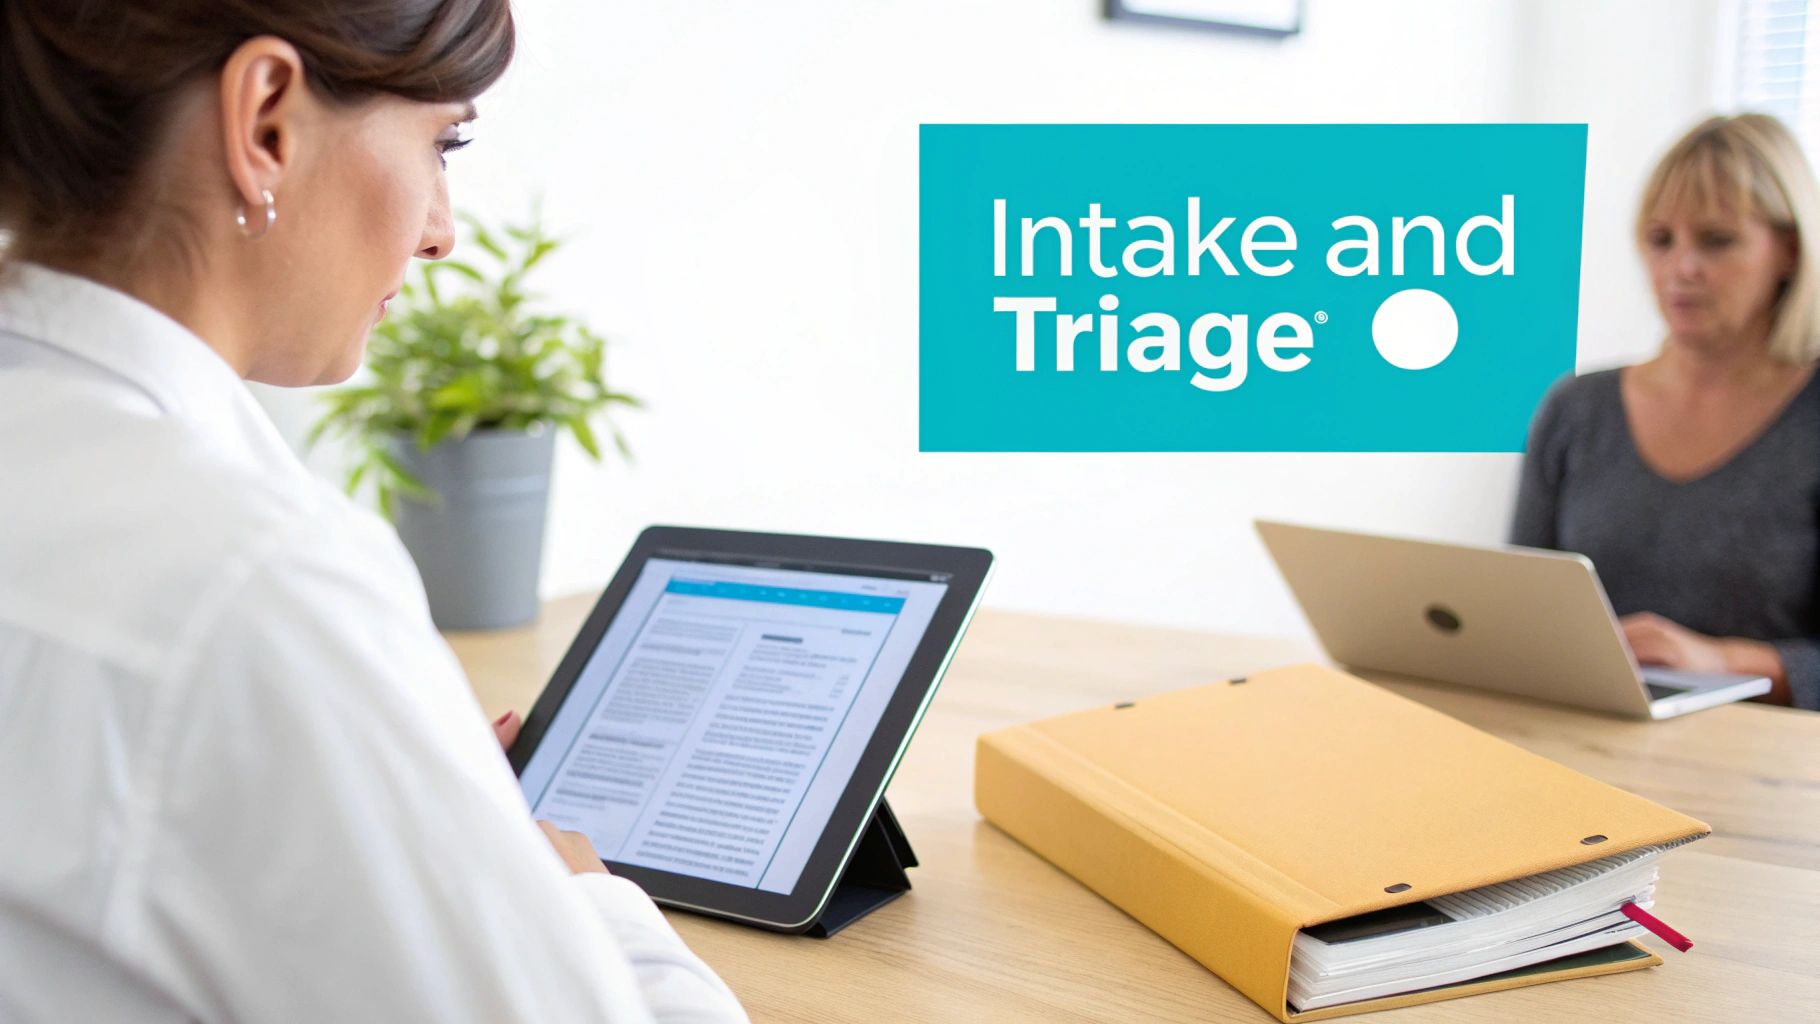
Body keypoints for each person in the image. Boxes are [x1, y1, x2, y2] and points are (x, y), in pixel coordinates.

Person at [0, 2, 748, 1019]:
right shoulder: (258, 582)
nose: (441, 230)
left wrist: (376, 758)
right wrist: (572, 894)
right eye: (443, 143)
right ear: (266, 121)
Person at [1512, 113, 1820, 711]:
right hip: (1582, 751)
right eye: (1661, 240)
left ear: (1789, 249)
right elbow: (1520, 612)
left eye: (1716, 240)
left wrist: (1722, 661)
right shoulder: (1577, 410)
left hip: (1769, 774)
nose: (1682, 268)